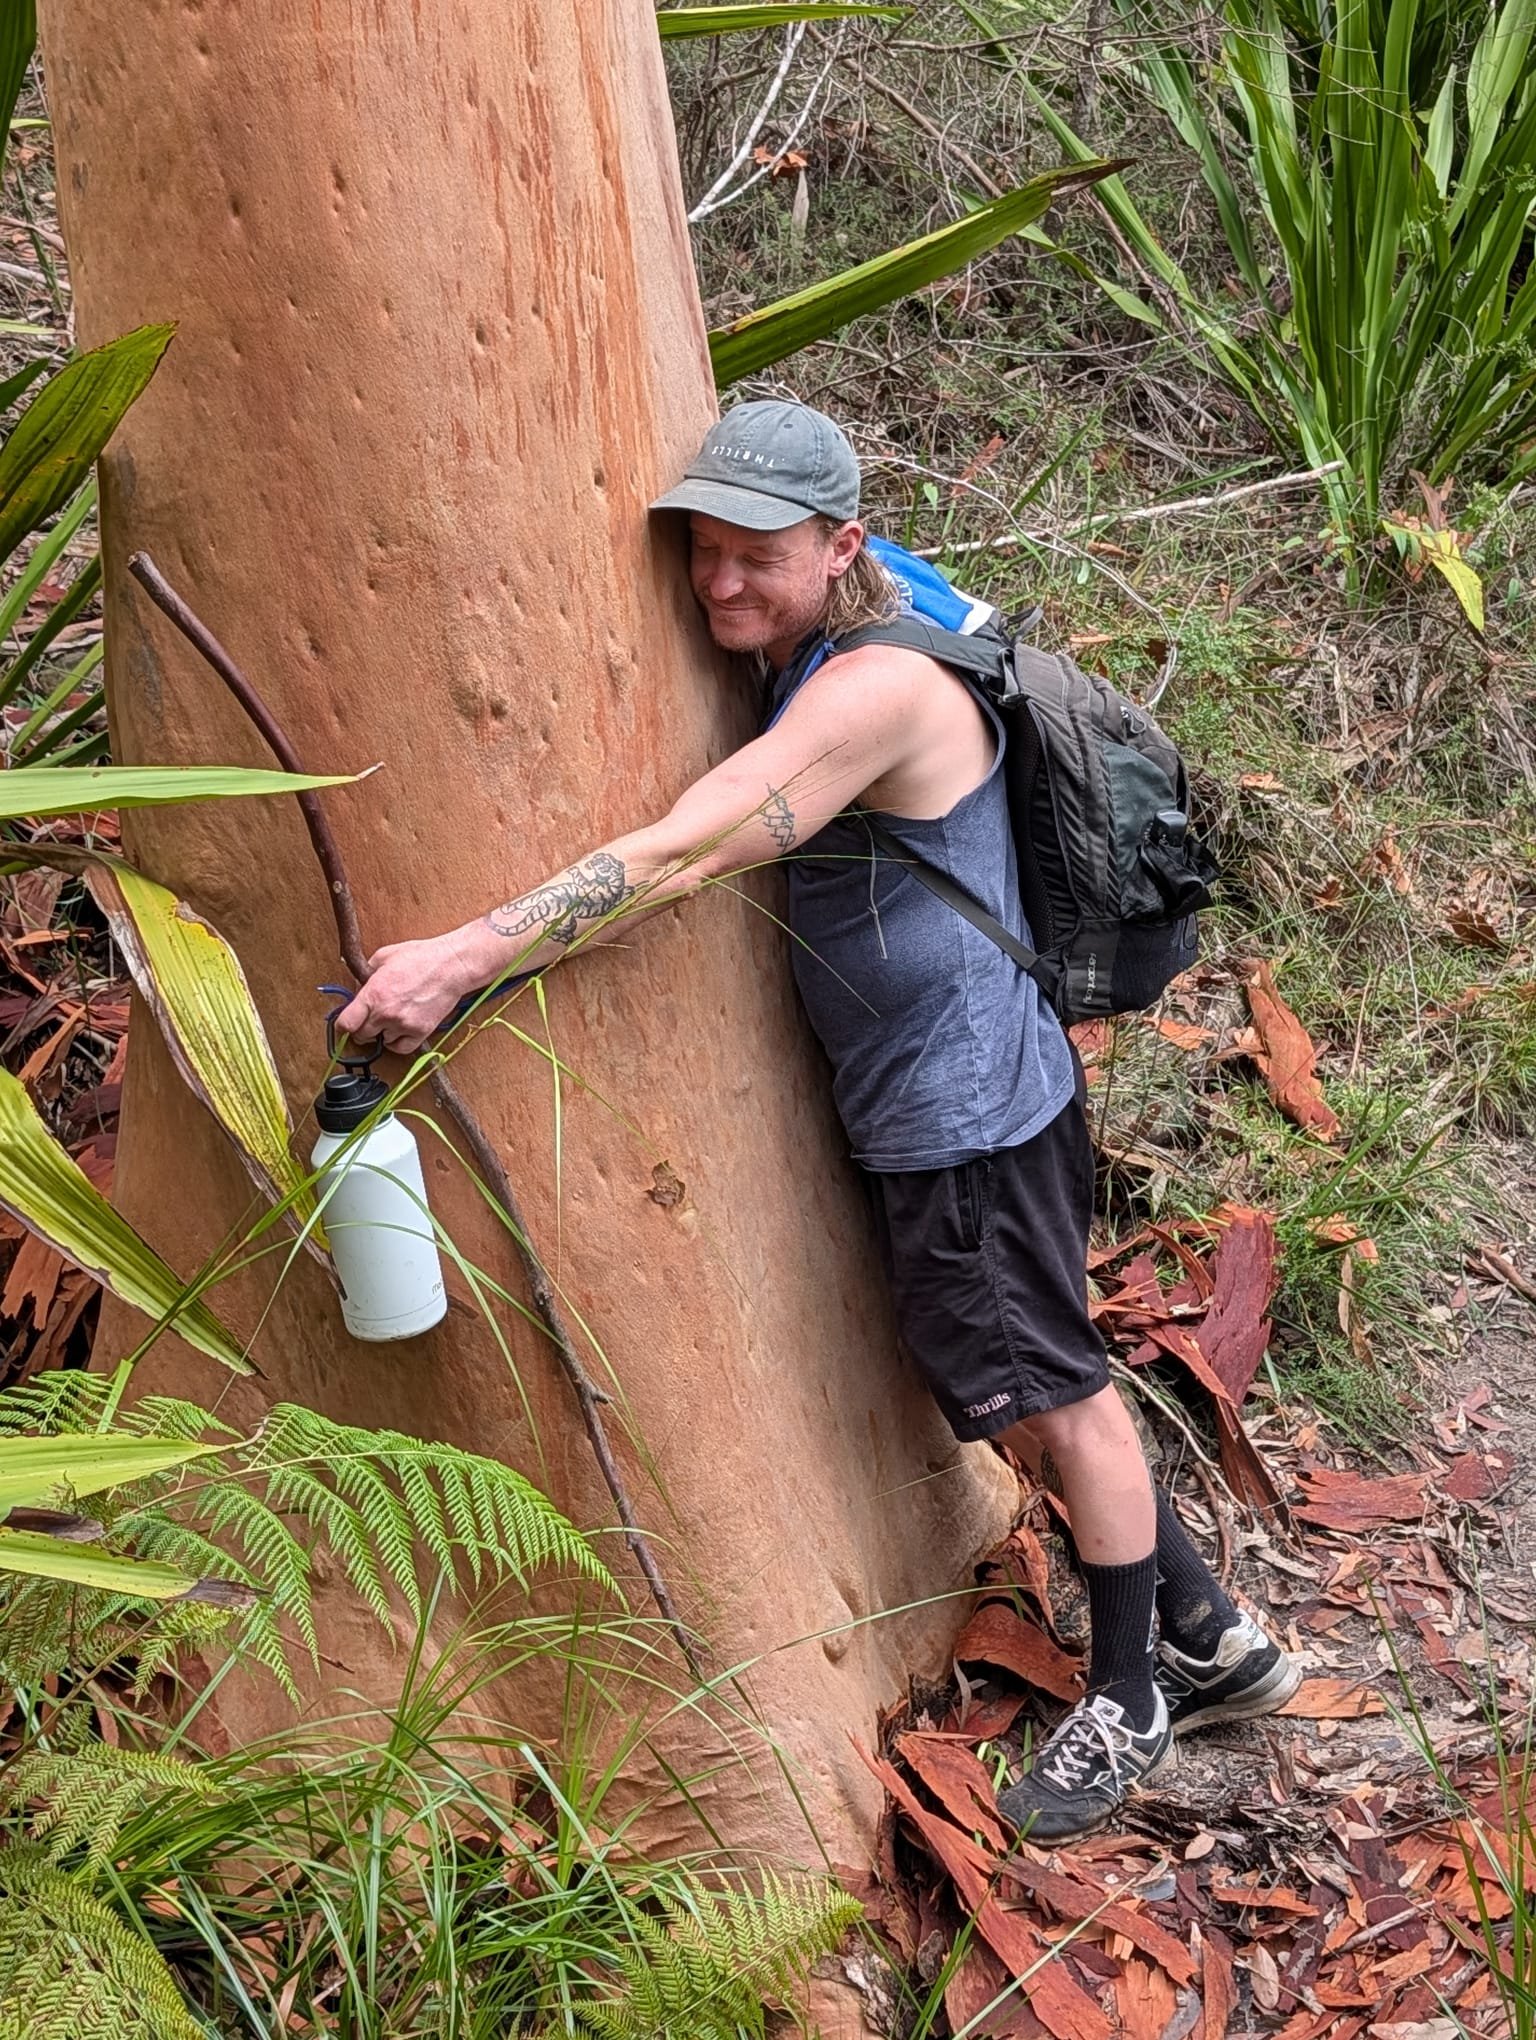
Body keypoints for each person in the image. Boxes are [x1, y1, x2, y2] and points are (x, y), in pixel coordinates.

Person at [336, 400, 1298, 1841]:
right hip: (965, 1090)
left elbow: (682, 850)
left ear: (842, 545)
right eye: (702, 554)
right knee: (1014, 1365)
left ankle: (1135, 1694)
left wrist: (465, 954)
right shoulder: (874, 602)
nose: (721, 586)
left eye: (757, 559)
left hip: (966, 1109)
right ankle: (1213, 1631)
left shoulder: (874, 694)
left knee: (1049, 1387)